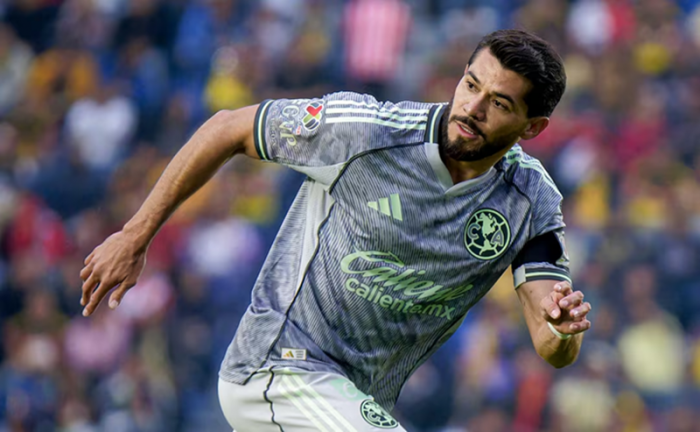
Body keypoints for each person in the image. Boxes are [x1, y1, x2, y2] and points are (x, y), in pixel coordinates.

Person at [80, 29, 593, 431]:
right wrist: (135, 235)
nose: (473, 108)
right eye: (471, 84)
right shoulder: (367, 131)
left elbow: (550, 341)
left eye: (499, 103)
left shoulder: (530, 201)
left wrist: (562, 330)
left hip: (354, 402)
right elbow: (227, 127)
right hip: (279, 367)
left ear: (532, 127)